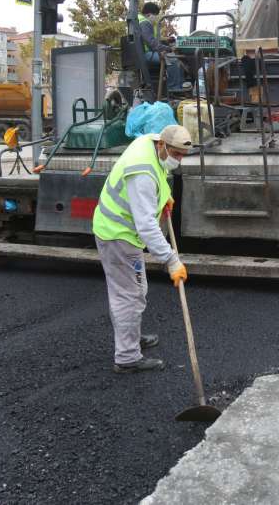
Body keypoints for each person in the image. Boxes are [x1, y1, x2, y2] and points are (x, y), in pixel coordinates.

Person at [92, 124, 193, 373]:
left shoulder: (149, 142)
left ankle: (131, 337)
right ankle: (127, 357)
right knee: (129, 296)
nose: (178, 160)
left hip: (121, 232)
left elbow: (159, 178)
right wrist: (171, 261)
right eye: (175, 154)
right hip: (118, 236)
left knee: (137, 290)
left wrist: (165, 196)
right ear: (162, 145)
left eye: (182, 155)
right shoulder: (142, 174)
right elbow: (147, 226)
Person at [138, 2, 187, 94]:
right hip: (145, 54)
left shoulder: (140, 21)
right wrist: (168, 48)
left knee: (175, 59)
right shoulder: (144, 23)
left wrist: (165, 40)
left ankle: (180, 86)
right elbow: (151, 43)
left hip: (145, 52)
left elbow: (150, 39)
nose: (156, 17)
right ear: (149, 14)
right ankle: (174, 89)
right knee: (172, 59)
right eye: (155, 15)